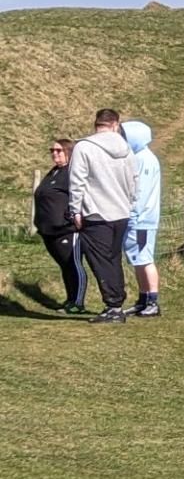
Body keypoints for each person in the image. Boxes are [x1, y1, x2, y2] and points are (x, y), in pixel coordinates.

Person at [67, 108, 137, 323]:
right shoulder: (126, 148)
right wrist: (131, 202)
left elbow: (76, 180)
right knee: (113, 258)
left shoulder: (84, 147)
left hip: (96, 212)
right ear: (115, 124)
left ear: (96, 124)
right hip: (121, 211)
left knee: (100, 260)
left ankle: (113, 305)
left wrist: (75, 209)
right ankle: (116, 302)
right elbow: (133, 179)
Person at [33, 138, 89, 313]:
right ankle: (69, 300)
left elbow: (82, 195)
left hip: (67, 229)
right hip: (49, 230)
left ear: (69, 152)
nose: (54, 153)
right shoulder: (54, 172)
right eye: (52, 150)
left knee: (73, 264)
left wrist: (73, 217)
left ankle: (78, 303)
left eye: (59, 150)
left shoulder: (72, 172)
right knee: (65, 266)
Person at [121, 120, 163, 318]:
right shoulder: (138, 157)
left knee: (145, 259)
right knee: (137, 260)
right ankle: (143, 299)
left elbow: (141, 192)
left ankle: (153, 301)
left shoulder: (145, 160)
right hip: (137, 219)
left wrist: (134, 215)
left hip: (142, 220)